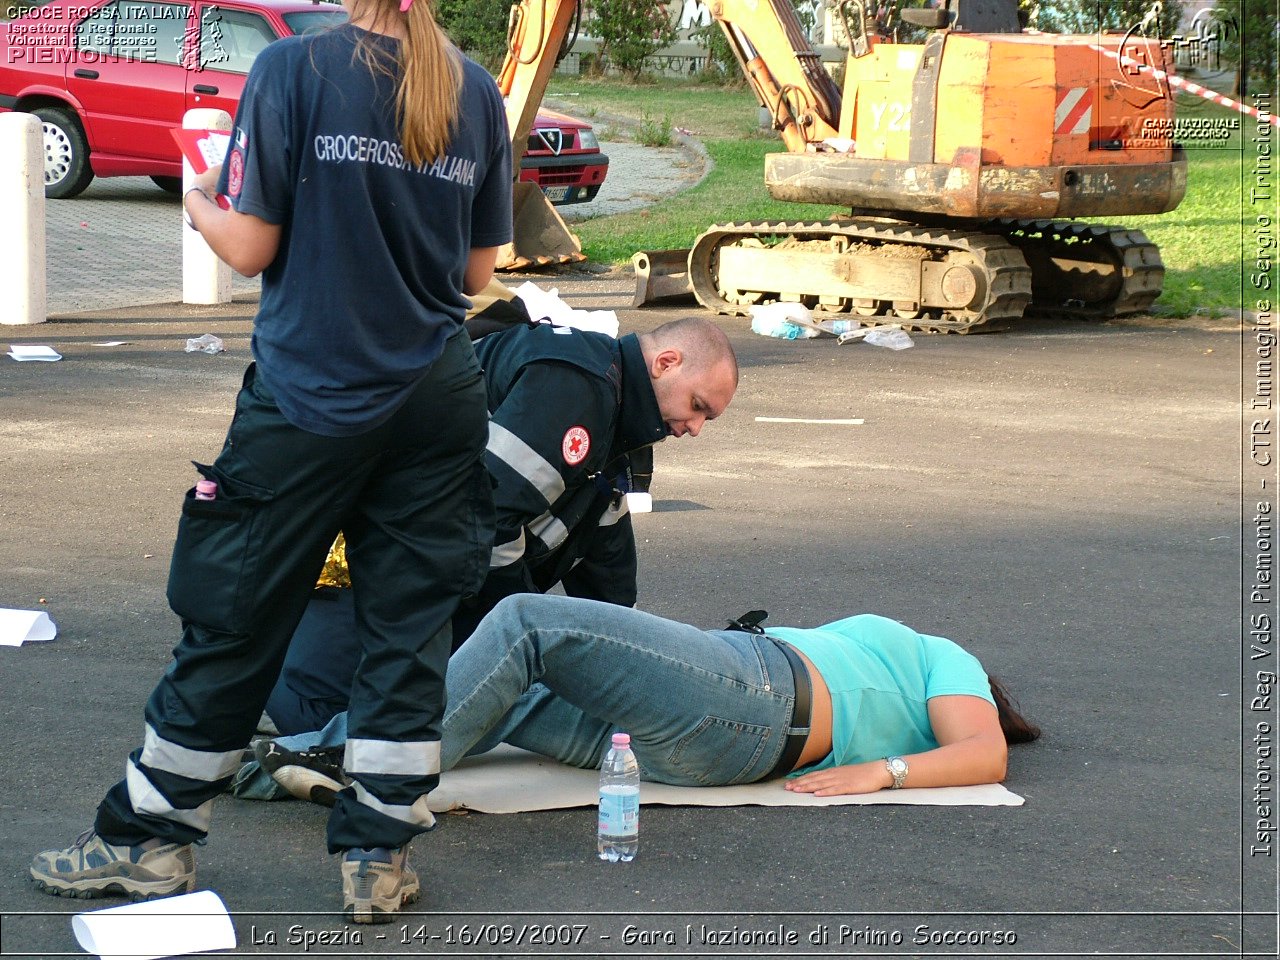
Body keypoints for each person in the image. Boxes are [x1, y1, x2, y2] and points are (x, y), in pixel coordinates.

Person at [29, 0, 511, 924]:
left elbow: (252, 246)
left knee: (236, 616)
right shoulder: (475, 90)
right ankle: (378, 859)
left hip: (310, 395)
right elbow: (477, 273)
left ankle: (146, 843)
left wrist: (204, 196)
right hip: (435, 396)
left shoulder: (294, 71)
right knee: (407, 631)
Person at [260, 315, 739, 740]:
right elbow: (487, 515)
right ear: (666, 362)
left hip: (442, 564)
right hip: (376, 551)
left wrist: (630, 652)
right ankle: (255, 662)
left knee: (452, 715)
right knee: (320, 721)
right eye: (699, 406)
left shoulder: (626, 425)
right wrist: (513, 629)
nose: (695, 428)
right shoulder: (574, 388)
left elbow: (604, 555)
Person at [270, 594, 1039, 802]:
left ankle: (366, 766)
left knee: (526, 623)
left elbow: (985, 752)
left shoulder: (951, 660)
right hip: (722, 725)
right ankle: (294, 757)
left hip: (758, 700)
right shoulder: (902, 662)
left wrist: (882, 774)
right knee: (500, 684)